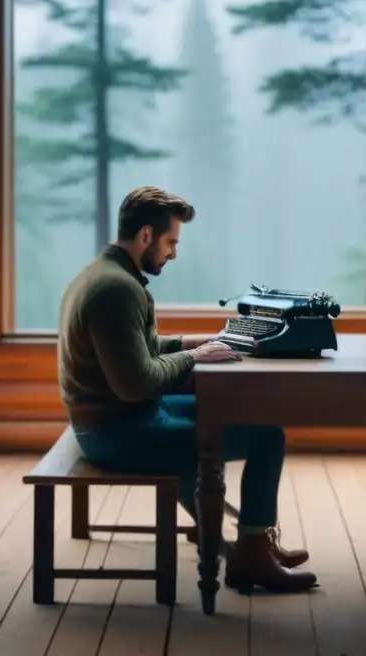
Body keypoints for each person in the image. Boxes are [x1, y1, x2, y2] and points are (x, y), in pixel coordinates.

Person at [58, 186, 317, 595]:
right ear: (146, 235)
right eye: (171, 242)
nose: (173, 253)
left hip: (120, 419)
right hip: (118, 433)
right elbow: (137, 382)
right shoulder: (116, 291)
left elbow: (137, 351)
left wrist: (193, 343)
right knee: (268, 437)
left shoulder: (105, 275)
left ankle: (250, 544)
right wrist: (197, 359)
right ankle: (250, 553)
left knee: (227, 416)